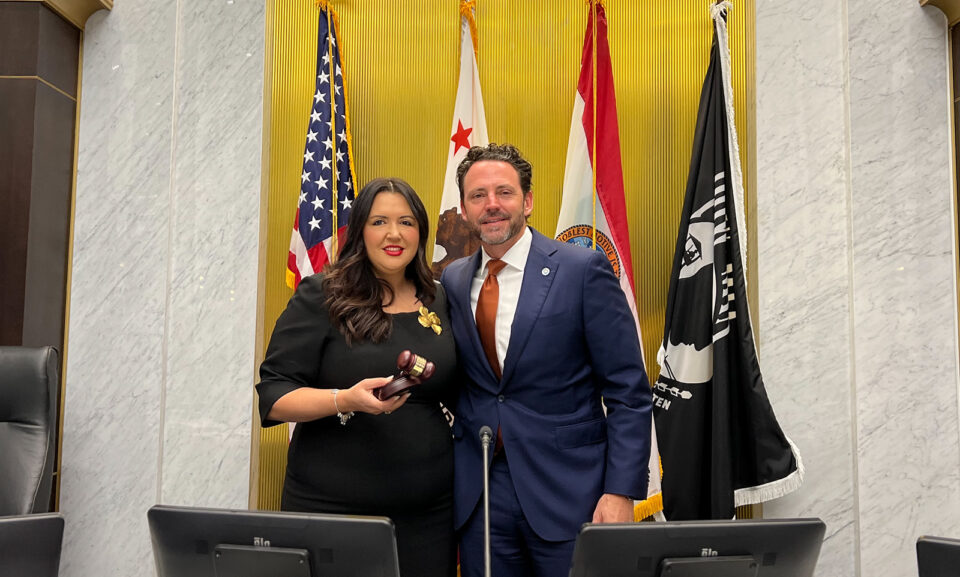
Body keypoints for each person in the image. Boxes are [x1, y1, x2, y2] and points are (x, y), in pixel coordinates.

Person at [440, 144, 653, 577]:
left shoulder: (582, 270)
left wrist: (621, 491)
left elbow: (628, 393)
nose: (492, 204)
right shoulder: (453, 279)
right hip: (482, 494)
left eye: (504, 192)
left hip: (570, 492)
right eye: (478, 195)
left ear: (528, 201)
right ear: (463, 209)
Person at [256, 178, 457, 577]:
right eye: (379, 222)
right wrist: (344, 399)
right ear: (360, 230)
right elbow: (274, 397)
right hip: (334, 512)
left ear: (421, 231)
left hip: (429, 516)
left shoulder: (439, 297)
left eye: (406, 222)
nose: (394, 234)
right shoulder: (322, 295)